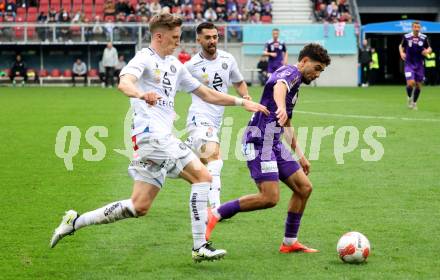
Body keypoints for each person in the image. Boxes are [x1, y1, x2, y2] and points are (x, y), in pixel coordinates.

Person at [50, 13, 269, 263]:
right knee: (203, 176)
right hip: (152, 136)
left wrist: (241, 102)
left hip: (156, 140)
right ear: (158, 36)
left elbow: (207, 94)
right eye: (174, 38)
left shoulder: (175, 65)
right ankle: (200, 246)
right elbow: (124, 83)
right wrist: (142, 95)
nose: (178, 42)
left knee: (138, 206)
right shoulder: (144, 57)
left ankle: (74, 221)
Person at [205, 43, 331, 255]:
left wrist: (301, 155)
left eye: (321, 71)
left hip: (273, 142)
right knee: (269, 198)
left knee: (304, 188)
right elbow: (279, 85)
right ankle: (216, 213)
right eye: (317, 68)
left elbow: (287, 122)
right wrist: (280, 106)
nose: (318, 74)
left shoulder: (296, 84)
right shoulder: (290, 72)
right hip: (258, 140)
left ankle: (289, 243)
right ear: (304, 61)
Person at [184, 22, 251, 209]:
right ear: (199, 39)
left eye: (215, 37)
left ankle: (172, 154)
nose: (212, 41)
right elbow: (173, 85)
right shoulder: (191, 66)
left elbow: (238, 82)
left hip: (216, 120)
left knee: (202, 166)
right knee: (215, 160)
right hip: (199, 118)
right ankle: (215, 209)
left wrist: (244, 95)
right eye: (208, 37)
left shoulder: (228, 59)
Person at [399, 21, 432, 110]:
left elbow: (429, 48)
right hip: (409, 64)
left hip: (419, 65)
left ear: (420, 28)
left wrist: (427, 51)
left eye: (418, 27)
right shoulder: (406, 37)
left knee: (418, 85)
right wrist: (401, 53)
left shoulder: (424, 37)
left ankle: (414, 102)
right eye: (415, 27)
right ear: (412, 28)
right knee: (411, 83)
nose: (417, 29)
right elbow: (401, 46)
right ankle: (409, 98)